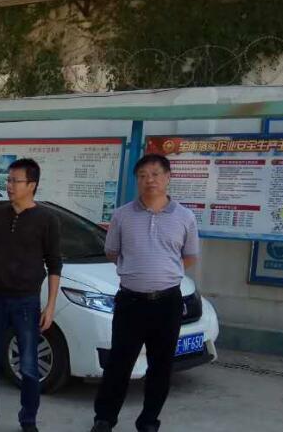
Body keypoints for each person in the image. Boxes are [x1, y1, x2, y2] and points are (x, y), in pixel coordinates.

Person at [91, 154, 200, 432]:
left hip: (167, 303)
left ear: (168, 177)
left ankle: (149, 421)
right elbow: (112, 252)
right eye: (142, 176)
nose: (149, 180)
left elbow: (189, 256)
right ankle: (104, 419)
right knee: (119, 364)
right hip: (131, 302)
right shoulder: (122, 215)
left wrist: (163, 272)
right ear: (137, 181)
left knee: (160, 366)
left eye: (155, 174)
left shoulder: (185, 217)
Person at [0, 158, 61, 432]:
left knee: (29, 365)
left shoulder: (47, 220)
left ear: (32, 185)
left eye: (15, 181)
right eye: (7, 180)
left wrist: (50, 306)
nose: (9, 186)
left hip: (26, 301)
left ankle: (28, 419)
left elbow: (55, 265)